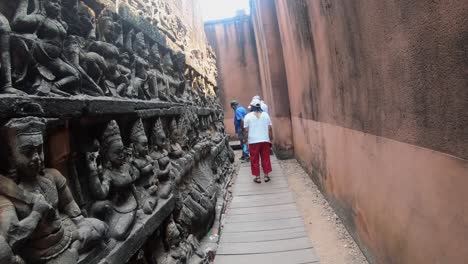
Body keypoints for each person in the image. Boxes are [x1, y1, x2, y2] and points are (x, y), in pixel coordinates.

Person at [243, 99, 273, 183]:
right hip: (264, 140)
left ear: (252, 107)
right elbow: (270, 128)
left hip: (253, 141)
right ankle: (266, 176)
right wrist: (271, 138)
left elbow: (246, 130)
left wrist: (246, 141)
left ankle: (258, 177)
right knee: (265, 158)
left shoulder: (248, 116)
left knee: (254, 159)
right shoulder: (266, 115)